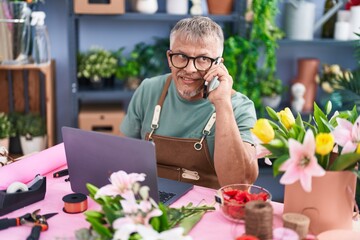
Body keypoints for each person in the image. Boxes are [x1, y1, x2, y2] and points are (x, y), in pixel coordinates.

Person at [120, 16, 258, 189]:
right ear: (169, 58)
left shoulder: (240, 107)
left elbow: (239, 186)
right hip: (153, 200)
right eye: (181, 56)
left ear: (218, 64)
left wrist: (222, 104)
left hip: (208, 208)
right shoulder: (149, 90)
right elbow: (126, 157)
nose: (190, 69)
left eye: (203, 59)